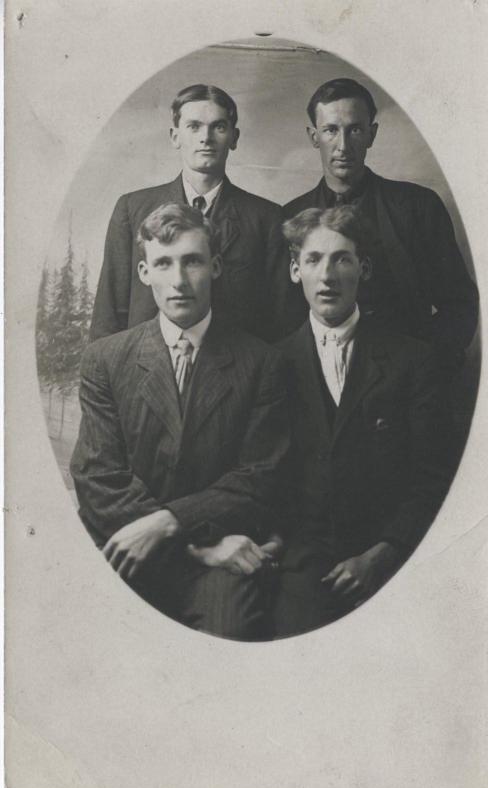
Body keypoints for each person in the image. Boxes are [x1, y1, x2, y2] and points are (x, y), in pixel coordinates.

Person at [71, 203, 289, 640]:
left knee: (228, 636)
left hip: (220, 568)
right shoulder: (105, 359)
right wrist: (197, 548)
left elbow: (259, 479)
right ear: (143, 271)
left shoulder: (261, 362)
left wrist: (170, 523)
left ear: (216, 266)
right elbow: (98, 475)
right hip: (129, 548)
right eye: (164, 263)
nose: (179, 280)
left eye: (192, 261)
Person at [274, 205, 452, 637]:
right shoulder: (271, 364)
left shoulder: (414, 361)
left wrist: (383, 554)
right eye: (314, 260)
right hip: (302, 567)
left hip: (394, 560)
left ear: (364, 268)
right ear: (296, 270)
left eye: (342, 259)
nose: (328, 275)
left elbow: (435, 476)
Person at [283, 78, 479, 365]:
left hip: (409, 374)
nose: (343, 145)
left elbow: (460, 306)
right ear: (314, 137)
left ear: (372, 134)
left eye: (355, 130)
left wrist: (420, 368)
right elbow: (282, 316)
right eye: (331, 131)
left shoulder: (418, 207)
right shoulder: (291, 216)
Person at [90, 84, 289, 343]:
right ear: (175, 137)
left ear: (234, 137)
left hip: (236, 374)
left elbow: (280, 322)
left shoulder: (266, 219)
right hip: (147, 371)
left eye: (218, 127)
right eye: (194, 126)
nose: (205, 137)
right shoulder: (132, 209)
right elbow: (108, 316)